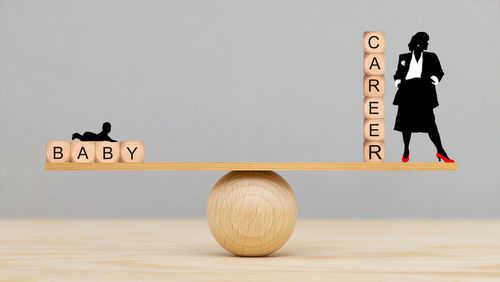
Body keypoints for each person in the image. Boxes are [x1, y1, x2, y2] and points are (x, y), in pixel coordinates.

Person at [393, 32, 454, 163]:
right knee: (406, 123)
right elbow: (398, 73)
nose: (427, 44)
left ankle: (440, 150)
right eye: (425, 41)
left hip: (423, 90)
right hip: (407, 90)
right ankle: (406, 149)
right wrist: (398, 81)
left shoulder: (431, 56)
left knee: (430, 123)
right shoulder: (403, 57)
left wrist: (435, 79)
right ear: (418, 42)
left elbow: (439, 71)